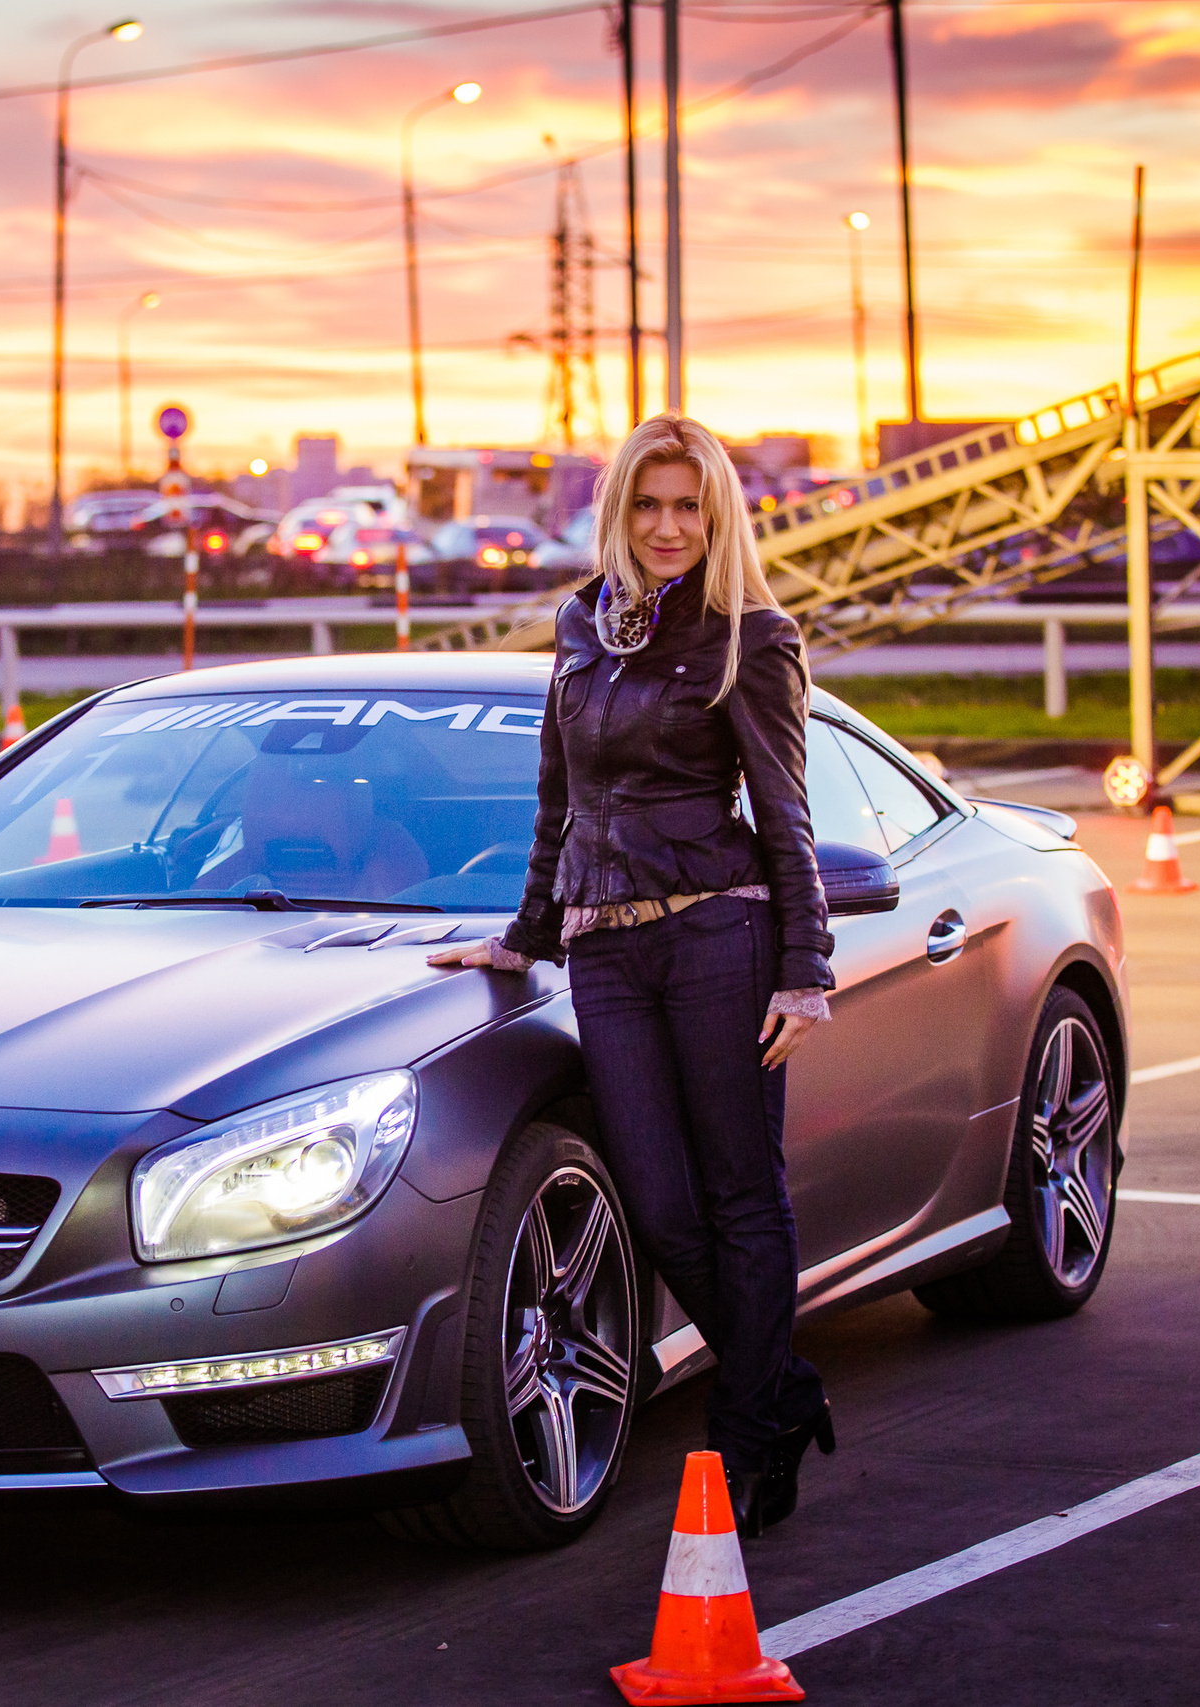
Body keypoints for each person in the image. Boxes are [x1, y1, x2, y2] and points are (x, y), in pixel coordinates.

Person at [429, 414, 838, 1539]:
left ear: (716, 517)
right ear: (619, 510)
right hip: (606, 951)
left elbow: (784, 815)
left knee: (740, 1197)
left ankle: (751, 1435)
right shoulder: (578, 625)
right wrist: (522, 937)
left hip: (718, 936)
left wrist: (804, 968)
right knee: (658, 1208)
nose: (668, 528)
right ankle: (784, 1387)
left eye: (688, 507)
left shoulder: (751, 636)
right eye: (649, 505)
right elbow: (558, 801)